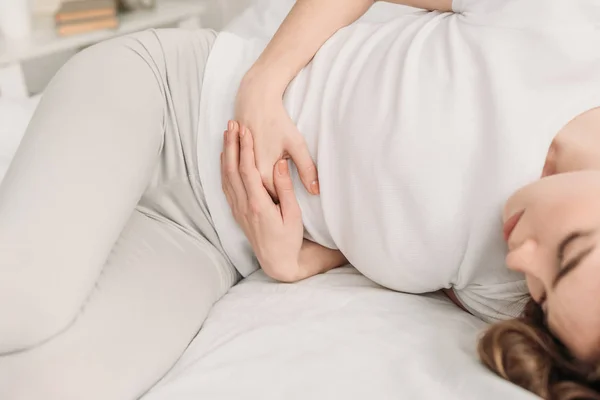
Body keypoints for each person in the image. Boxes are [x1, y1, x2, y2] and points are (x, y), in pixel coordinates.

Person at [0, 0, 598, 399]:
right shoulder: (565, 37)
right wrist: (263, 81)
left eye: (542, 291)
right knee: (19, 305)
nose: (521, 259)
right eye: (567, 252)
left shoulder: (510, 299)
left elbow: (387, 228)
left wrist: (297, 262)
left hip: (206, 241)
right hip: (170, 95)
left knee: (51, 385)